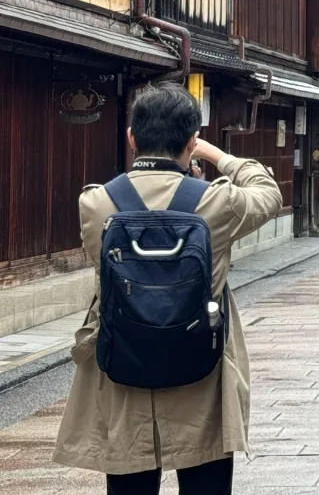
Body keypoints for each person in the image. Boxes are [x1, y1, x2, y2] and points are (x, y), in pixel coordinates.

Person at [54, 83, 283, 494]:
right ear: (191, 141)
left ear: (131, 138)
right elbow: (268, 190)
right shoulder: (218, 202)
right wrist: (216, 155)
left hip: (123, 366)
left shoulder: (97, 204)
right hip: (201, 368)